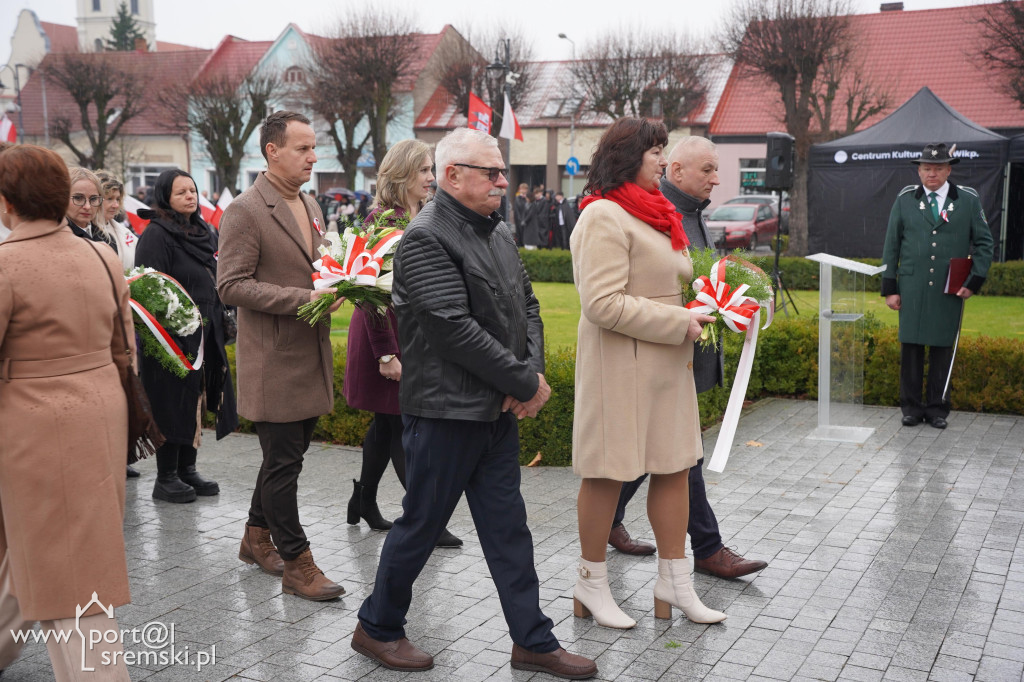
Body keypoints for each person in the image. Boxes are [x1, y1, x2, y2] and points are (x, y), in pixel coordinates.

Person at [351, 127, 597, 680]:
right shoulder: (425, 236)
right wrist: (523, 382)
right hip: (445, 413)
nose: (503, 181)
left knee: (509, 528)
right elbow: (451, 330)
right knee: (419, 526)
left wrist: (529, 372)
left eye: (502, 171)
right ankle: (377, 626)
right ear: (451, 175)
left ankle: (532, 640)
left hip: (492, 410)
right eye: (491, 172)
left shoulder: (497, 230)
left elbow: (527, 305)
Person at [570, 117, 725, 630]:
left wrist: (717, 302)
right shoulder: (603, 217)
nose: (664, 159)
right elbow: (601, 304)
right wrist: (679, 319)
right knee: (607, 472)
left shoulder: (660, 214)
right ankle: (591, 585)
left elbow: (669, 282)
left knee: (675, 467)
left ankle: (674, 583)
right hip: (621, 367)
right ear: (627, 156)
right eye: (656, 151)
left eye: (664, 150)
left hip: (665, 366)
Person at [0, 144, 133, 680]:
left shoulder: (7, 263)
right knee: (36, 554)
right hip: (100, 413)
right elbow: (125, 351)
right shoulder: (99, 254)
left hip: (34, 428)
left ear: (8, 202)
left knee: (71, 578)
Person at [608, 137, 769, 580]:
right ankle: (708, 548)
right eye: (708, 170)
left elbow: (704, 281)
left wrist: (736, 299)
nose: (717, 179)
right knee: (685, 454)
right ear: (676, 171)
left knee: (658, 452)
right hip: (665, 353)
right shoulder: (657, 213)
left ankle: (605, 520)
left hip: (686, 350)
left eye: (717, 170)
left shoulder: (693, 214)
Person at [217, 111, 346, 601]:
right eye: (303, 148)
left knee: (282, 459)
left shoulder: (309, 203)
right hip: (274, 360)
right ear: (272, 151)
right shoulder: (246, 210)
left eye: (314, 148)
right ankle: (298, 563)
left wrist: (338, 282)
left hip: (308, 355)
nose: (313, 157)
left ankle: (255, 536)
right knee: (284, 465)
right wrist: (302, 299)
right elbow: (230, 286)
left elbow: (314, 267)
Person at [343, 138, 461, 548]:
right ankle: (426, 518)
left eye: (432, 170)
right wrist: (386, 352)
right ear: (404, 174)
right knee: (401, 429)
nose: (432, 178)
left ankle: (363, 501)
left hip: (408, 338)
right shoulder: (381, 220)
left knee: (387, 424)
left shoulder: (422, 214)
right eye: (426, 170)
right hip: (384, 339)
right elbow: (371, 294)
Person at [134, 169, 238, 504]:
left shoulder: (204, 231)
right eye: (181, 192)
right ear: (165, 197)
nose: (190, 197)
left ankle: (187, 469)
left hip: (205, 332)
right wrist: (175, 325)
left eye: (192, 190)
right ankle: (166, 477)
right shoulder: (157, 235)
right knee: (171, 402)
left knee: (196, 399)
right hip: (170, 339)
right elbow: (148, 288)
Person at [882, 142, 994, 430]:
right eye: (927, 168)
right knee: (911, 348)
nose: (932, 173)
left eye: (939, 168)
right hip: (911, 286)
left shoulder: (967, 200)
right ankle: (910, 408)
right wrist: (890, 288)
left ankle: (937, 409)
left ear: (948, 170)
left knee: (943, 348)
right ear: (919, 171)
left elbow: (984, 243)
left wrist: (974, 281)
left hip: (950, 287)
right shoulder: (905, 199)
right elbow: (891, 245)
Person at [67, 167, 142, 480]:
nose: (88, 205)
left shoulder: (101, 235)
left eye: (94, 199)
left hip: (104, 339)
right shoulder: (68, 236)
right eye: (79, 198)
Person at [95, 170, 138, 272]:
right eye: (109, 198)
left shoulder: (125, 232)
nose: (116, 205)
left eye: (118, 199)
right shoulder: (84, 230)